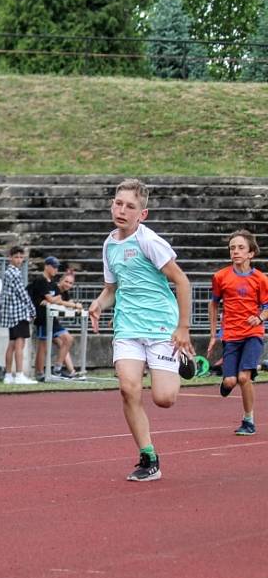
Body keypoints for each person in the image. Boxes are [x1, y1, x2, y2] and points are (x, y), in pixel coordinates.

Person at [89, 178, 193, 482]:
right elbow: (112, 288)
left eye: (130, 206)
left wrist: (183, 328)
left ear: (141, 214)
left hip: (161, 327)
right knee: (128, 388)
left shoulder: (150, 242)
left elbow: (182, 282)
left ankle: (183, 359)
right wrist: (98, 303)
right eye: (118, 203)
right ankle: (148, 457)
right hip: (127, 327)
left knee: (164, 398)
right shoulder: (109, 244)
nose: (122, 210)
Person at [208, 229, 268, 436]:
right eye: (232, 248)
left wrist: (260, 317)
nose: (235, 251)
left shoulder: (260, 279)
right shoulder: (220, 276)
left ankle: (248, 420)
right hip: (231, 335)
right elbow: (214, 304)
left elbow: (267, 306)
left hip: (253, 333)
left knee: (244, 378)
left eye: (241, 247)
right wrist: (214, 334)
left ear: (251, 253)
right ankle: (231, 379)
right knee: (230, 381)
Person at [29, 256, 73, 380]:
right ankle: (39, 373)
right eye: (53, 267)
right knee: (43, 346)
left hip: (52, 318)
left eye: (57, 267)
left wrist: (56, 301)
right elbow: (51, 299)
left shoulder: (52, 283)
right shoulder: (40, 280)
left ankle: (58, 368)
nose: (55, 270)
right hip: (43, 317)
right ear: (46, 266)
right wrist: (53, 300)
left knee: (68, 339)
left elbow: (59, 300)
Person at [0, 246, 36, 384]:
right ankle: (19, 374)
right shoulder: (14, 273)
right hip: (18, 313)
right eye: (16, 257)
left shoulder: (8, 272)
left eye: (21, 257)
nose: (19, 260)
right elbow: (22, 294)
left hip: (11, 314)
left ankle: (8, 375)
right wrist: (32, 309)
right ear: (11, 257)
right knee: (20, 344)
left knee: (12, 344)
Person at [53, 270, 83, 378]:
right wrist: (74, 305)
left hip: (53, 321)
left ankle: (72, 372)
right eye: (66, 282)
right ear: (61, 280)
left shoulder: (65, 292)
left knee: (64, 344)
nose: (68, 285)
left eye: (70, 283)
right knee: (68, 339)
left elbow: (69, 304)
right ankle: (57, 369)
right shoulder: (54, 288)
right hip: (45, 320)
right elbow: (57, 302)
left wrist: (76, 306)